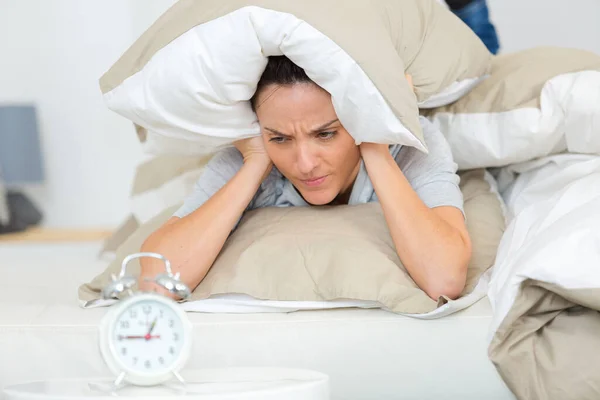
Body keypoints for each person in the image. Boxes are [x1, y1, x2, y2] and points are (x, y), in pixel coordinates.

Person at [139, 56, 472, 301]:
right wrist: (256, 161)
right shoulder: (246, 155)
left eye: (326, 134)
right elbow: (158, 282)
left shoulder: (412, 146)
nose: (305, 163)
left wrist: (375, 143)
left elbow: (444, 279)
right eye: (281, 139)